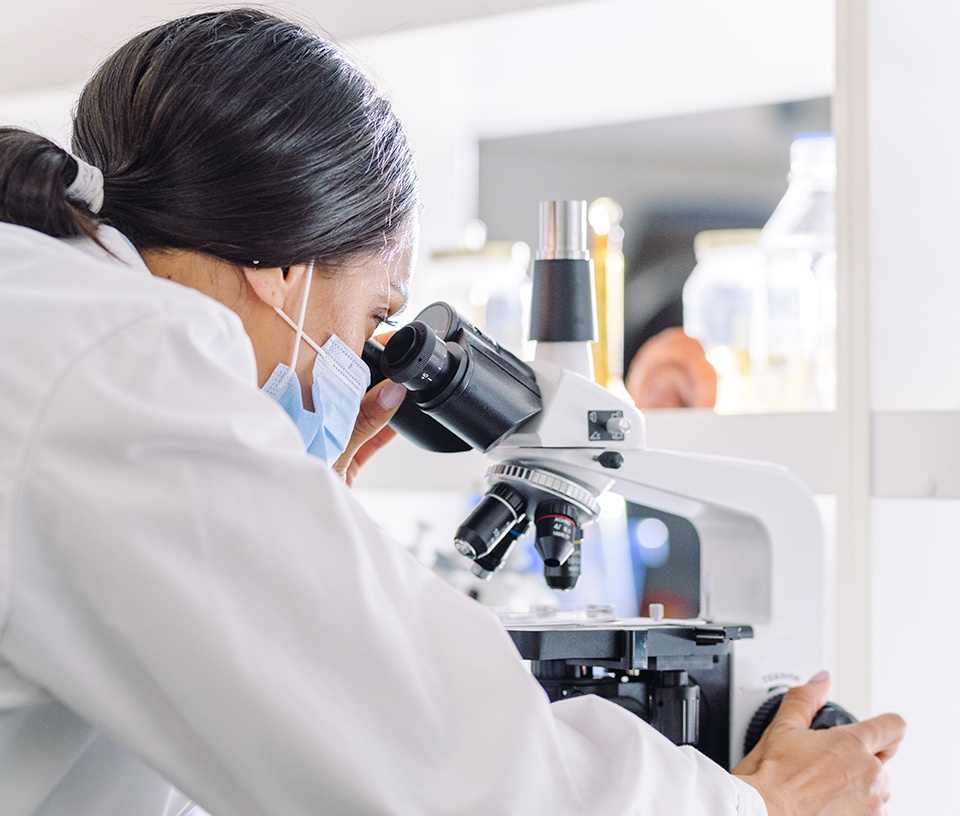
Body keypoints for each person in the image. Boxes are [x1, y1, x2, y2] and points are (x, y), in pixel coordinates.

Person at [0, 8, 904, 815]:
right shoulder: (124, 364)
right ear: (282, 267)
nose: (365, 360)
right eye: (378, 316)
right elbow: (450, 777)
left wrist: (288, 503)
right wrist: (764, 806)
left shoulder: (59, 318)